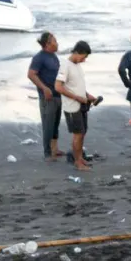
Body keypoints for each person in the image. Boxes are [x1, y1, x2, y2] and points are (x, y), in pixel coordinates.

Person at [56, 41, 98, 171]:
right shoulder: (65, 66)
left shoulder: (77, 66)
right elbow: (58, 87)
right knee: (77, 134)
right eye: (83, 56)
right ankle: (77, 162)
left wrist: (88, 95)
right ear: (76, 52)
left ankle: (80, 158)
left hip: (82, 104)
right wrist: (77, 97)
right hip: (72, 106)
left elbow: (76, 86)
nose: (84, 60)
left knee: (82, 132)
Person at [28, 32, 63, 161]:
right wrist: (44, 88)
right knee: (48, 125)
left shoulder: (53, 56)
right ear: (48, 43)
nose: (57, 43)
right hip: (47, 97)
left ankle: (55, 149)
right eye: (55, 40)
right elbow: (31, 74)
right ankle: (47, 153)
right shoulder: (39, 57)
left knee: (55, 124)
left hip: (58, 94)